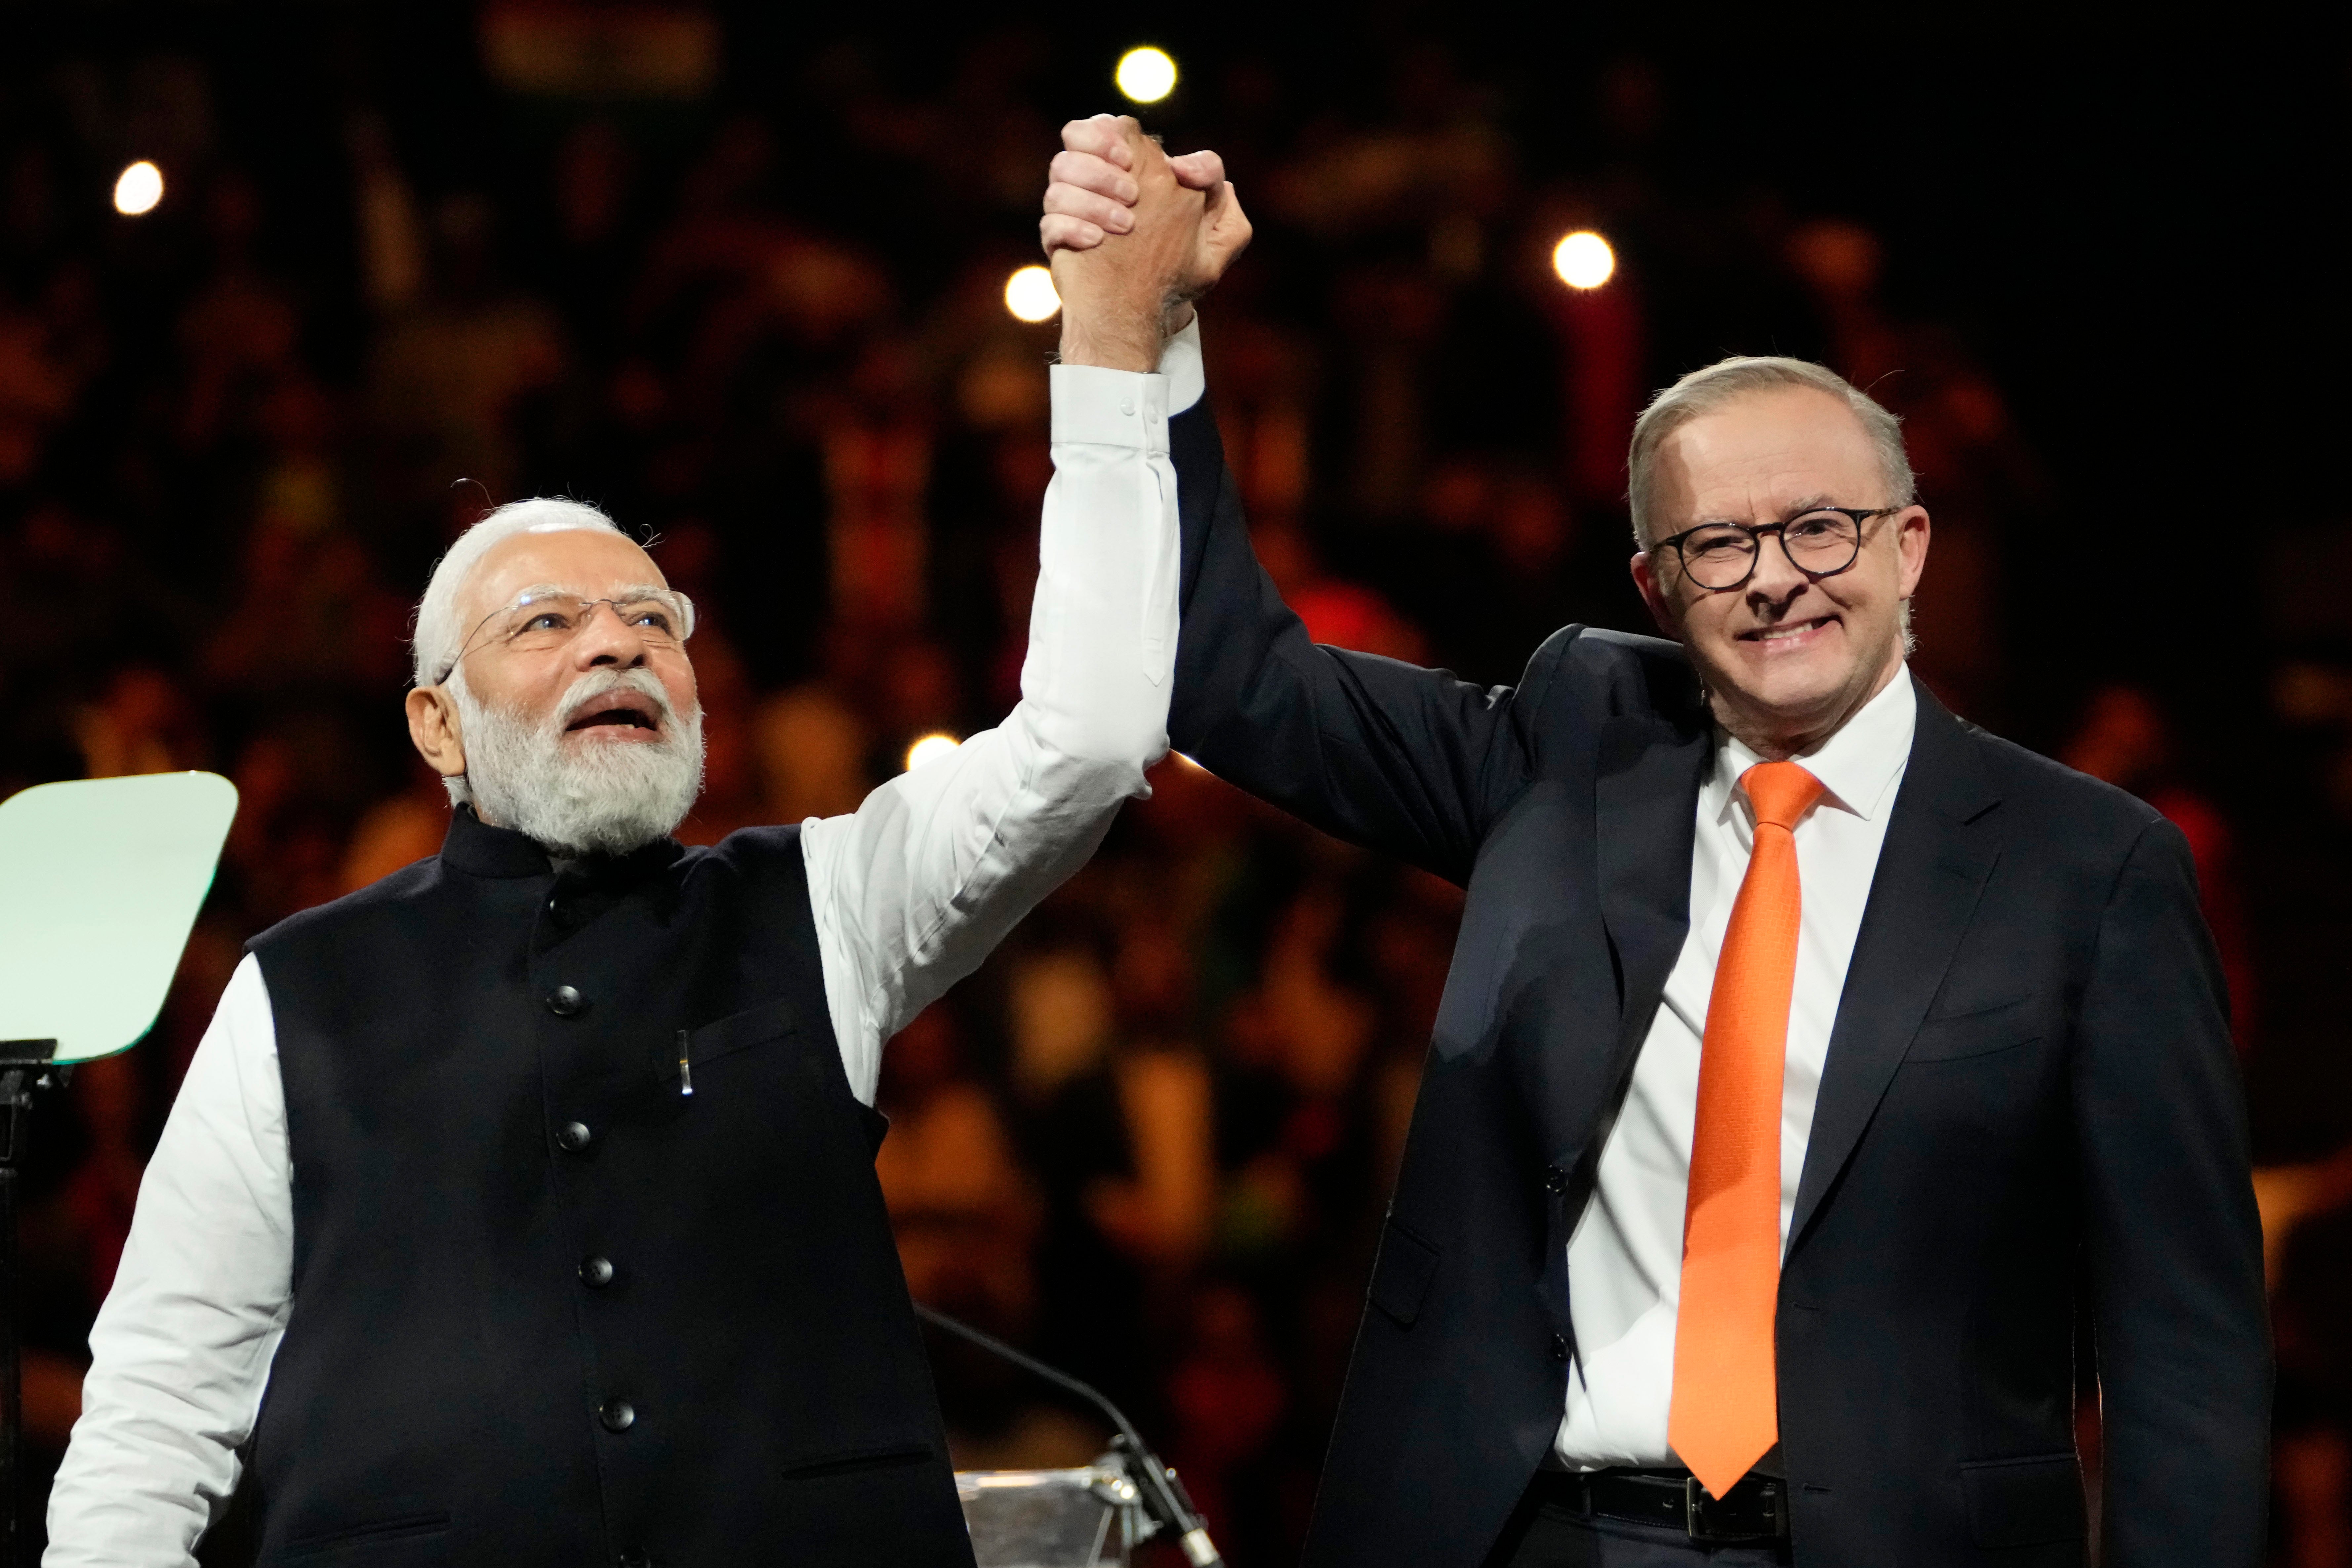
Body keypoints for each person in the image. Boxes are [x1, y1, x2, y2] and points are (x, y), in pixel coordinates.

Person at [1037, 116, 2267, 1568]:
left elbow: (2182, 1347)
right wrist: (1153, 327)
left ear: (1909, 545)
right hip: (1541, 1539)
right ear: (1653, 583)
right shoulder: (1573, 745)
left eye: (1819, 527)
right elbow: (1231, 679)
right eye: (1716, 547)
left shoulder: (2092, 867)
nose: (1775, 581)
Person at [47, 395, 1181, 1564]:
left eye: (654, 618)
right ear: (440, 727)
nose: (616, 640)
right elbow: (160, 1401)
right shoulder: (297, 988)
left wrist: (1121, 362)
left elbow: (1089, 745)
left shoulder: (827, 898)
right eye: (545, 621)